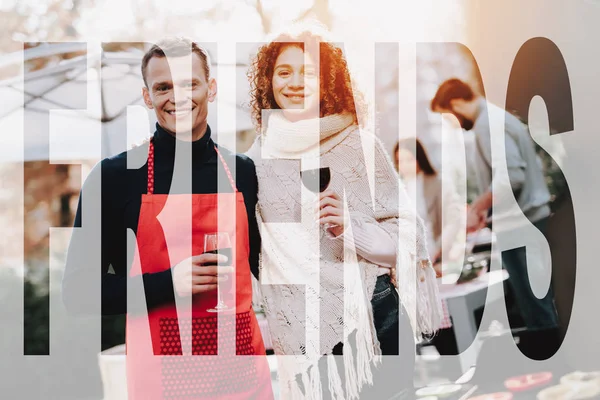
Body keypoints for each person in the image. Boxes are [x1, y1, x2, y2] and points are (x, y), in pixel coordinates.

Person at [62, 37, 272, 399]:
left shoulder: (243, 172)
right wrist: (167, 284)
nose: (177, 97)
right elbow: (77, 292)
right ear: (147, 97)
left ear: (212, 88)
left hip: (241, 372)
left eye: (190, 83)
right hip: (163, 379)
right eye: (163, 87)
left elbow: (269, 265)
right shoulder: (114, 177)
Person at [246, 28, 441, 399]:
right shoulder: (254, 162)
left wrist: (352, 229)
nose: (295, 82)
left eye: (308, 72)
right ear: (268, 83)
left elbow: (406, 241)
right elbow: (254, 254)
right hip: (304, 333)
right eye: (284, 72)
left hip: (375, 318)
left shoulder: (361, 146)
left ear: (328, 83)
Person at [430, 78, 560, 358]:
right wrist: (484, 212)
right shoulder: (494, 119)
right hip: (523, 221)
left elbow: (511, 177)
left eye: (447, 117)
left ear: (455, 104)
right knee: (537, 299)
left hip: (521, 225)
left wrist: (478, 206)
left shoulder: (488, 125)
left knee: (534, 303)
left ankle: (550, 367)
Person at [394, 137, 463, 357]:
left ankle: (452, 357)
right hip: (409, 264)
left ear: (419, 158)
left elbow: (453, 220)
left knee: (443, 316)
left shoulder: (436, 182)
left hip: (435, 258)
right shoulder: (397, 189)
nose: (404, 165)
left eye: (408, 159)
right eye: (399, 160)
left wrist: (438, 250)